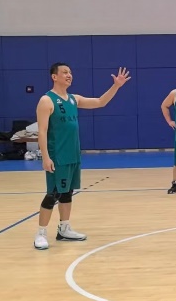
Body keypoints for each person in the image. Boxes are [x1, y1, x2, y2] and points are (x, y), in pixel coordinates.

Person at [33, 63, 131, 250]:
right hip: (57, 156)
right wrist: (45, 157)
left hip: (73, 154)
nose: (69, 75)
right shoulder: (46, 100)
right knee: (53, 194)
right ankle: (41, 233)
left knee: (67, 193)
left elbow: (100, 102)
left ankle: (64, 228)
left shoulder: (74, 99)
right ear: (54, 76)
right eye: (65, 72)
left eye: (70, 72)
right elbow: (42, 131)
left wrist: (116, 86)